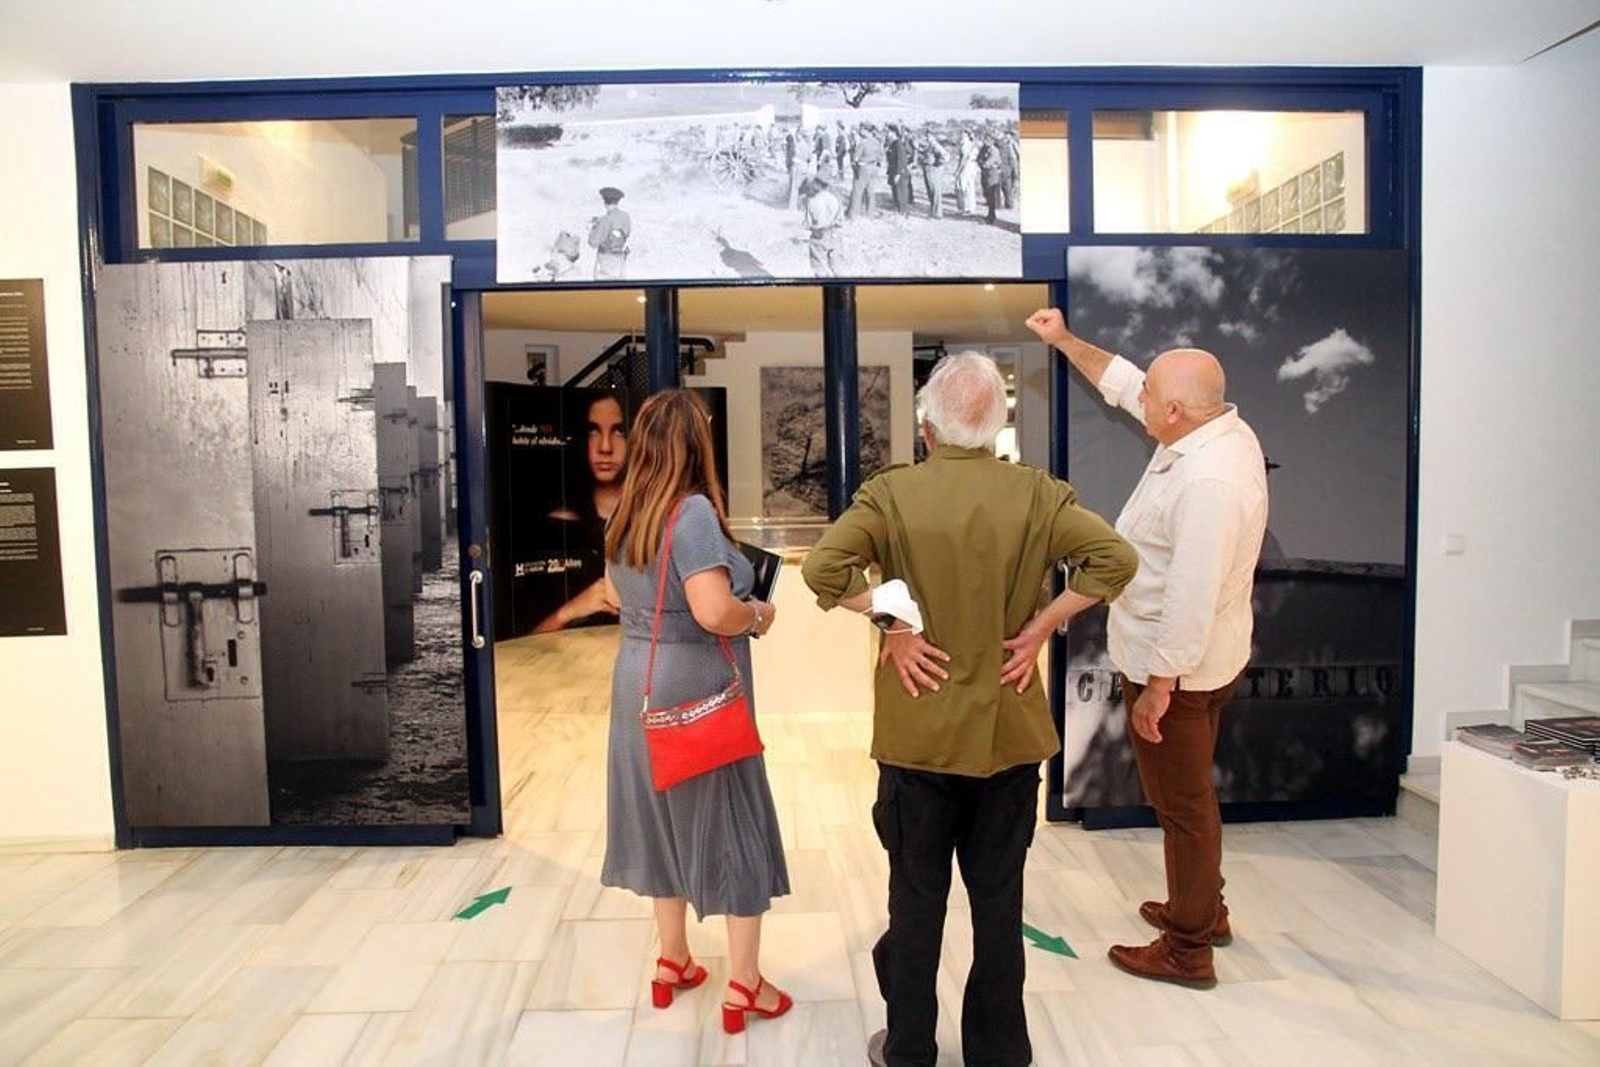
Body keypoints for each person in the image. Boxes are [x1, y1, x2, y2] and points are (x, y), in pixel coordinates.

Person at [802, 352, 1136, 1067]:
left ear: (927, 425)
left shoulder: (891, 497)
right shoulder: (1037, 496)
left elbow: (822, 568)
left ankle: (909, 1049)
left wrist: (894, 620)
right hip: (1007, 738)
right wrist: (1045, 622)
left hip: (918, 738)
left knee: (916, 905)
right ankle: (998, 1052)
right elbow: (1114, 559)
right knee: (998, 907)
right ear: (997, 424)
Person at [1024, 308, 1269, 990]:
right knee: (1189, 798)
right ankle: (1204, 906)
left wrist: (1161, 685)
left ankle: (1190, 946)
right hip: (1200, 659)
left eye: (1153, 403)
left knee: (1183, 806)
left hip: (1182, 672)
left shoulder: (1211, 480)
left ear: (1178, 410)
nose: (1142, 406)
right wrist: (1063, 338)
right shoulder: (1207, 426)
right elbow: (1124, 381)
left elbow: (1192, 593)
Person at [600, 389, 793, 1033]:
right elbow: (714, 610)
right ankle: (744, 985)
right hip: (697, 686)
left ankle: (672, 961)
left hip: (637, 681)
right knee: (730, 821)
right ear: (696, 445)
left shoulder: (625, 512)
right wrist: (758, 616)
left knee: (660, 818)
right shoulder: (693, 515)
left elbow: (611, 591)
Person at [533, 392, 628, 633]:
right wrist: (573, 609)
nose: (605, 448)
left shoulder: (658, 524)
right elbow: (521, 645)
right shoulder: (554, 528)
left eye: (618, 431)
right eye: (593, 431)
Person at [800, 176, 844, 277]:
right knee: (838, 267)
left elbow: (807, 223)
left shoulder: (811, 201)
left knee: (819, 267)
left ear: (814, 186)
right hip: (835, 234)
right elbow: (841, 220)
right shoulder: (836, 199)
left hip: (819, 236)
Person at [588, 186, 631, 280]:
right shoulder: (625, 217)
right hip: (620, 259)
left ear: (605, 202)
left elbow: (593, 243)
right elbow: (624, 233)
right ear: (617, 202)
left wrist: (592, 229)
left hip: (605, 260)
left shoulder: (605, 220)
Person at [849, 123, 885, 220]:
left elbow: (856, 158)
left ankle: (854, 215)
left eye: (862, 129)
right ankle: (870, 215)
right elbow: (880, 157)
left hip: (863, 168)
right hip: (873, 168)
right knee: (870, 192)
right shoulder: (876, 142)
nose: (860, 131)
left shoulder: (863, 143)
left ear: (866, 130)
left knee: (857, 191)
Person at [917, 130, 949, 219]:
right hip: (928, 169)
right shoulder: (929, 145)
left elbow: (945, 156)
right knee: (931, 191)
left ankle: (937, 214)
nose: (926, 137)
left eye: (928, 136)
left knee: (935, 192)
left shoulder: (935, 145)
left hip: (933, 170)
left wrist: (937, 164)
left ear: (933, 136)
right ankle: (933, 212)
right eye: (926, 136)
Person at [978, 137, 1005, 225]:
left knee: (991, 195)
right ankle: (990, 214)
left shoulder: (994, 150)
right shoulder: (984, 148)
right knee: (986, 194)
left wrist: (983, 163)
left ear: (992, 141)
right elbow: (978, 159)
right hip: (985, 173)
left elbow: (987, 163)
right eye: (985, 140)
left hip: (992, 173)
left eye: (987, 140)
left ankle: (991, 216)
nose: (985, 142)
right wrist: (982, 163)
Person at [955, 130, 979, 216]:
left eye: (963, 135)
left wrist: (958, 170)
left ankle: (964, 208)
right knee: (970, 188)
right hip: (972, 167)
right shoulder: (973, 144)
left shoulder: (965, 144)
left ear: (967, 136)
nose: (961, 136)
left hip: (967, 167)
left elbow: (964, 159)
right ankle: (971, 208)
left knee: (962, 186)